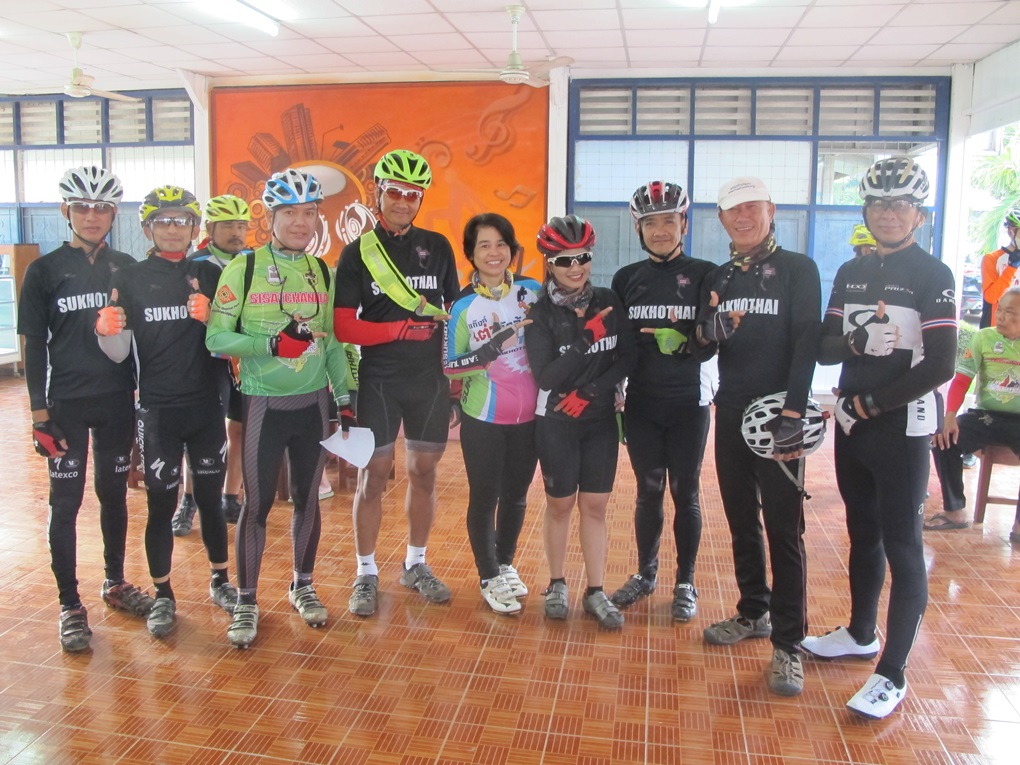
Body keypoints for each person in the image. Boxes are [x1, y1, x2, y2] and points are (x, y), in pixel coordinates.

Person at [805, 157, 957, 719]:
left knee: (903, 544)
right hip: (854, 422)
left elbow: (941, 363)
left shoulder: (933, 274)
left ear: (919, 215)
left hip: (902, 425)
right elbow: (825, 347)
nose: (889, 214)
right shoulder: (852, 271)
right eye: (878, 204)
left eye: (900, 205)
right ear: (866, 210)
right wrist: (855, 343)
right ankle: (860, 633)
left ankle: (892, 673)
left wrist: (872, 403)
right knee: (861, 531)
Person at [206, 168, 357, 648]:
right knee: (257, 506)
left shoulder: (322, 271)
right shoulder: (243, 267)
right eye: (289, 212)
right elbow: (215, 339)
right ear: (270, 217)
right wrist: (270, 344)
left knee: (308, 500)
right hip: (262, 406)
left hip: (312, 404)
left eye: (309, 212)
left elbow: (332, 343)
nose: (300, 222)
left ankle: (302, 585)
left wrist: (345, 398)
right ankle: (247, 600)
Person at [18, 166, 153, 652]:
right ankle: (70, 605)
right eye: (82, 207)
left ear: (114, 214)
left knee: (114, 495)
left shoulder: (126, 266)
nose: (92, 216)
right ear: (66, 211)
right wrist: (39, 415)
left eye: (101, 208)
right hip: (66, 405)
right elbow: (33, 345)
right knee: (66, 504)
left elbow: (140, 337)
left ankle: (115, 582)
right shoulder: (44, 271)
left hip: (117, 401)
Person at [698, 177, 821, 698]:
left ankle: (789, 644)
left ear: (771, 210)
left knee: (784, 531)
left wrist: (793, 411)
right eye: (733, 210)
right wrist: (708, 331)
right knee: (740, 519)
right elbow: (704, 347)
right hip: (730, 412)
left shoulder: (798, 269)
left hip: (779, 417)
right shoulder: (721, 276)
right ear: (721, 219)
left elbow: (807, 341)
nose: (743, 217)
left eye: (752, 207)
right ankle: (753, 611)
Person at [95, 185, 236, 638]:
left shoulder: (210, 274)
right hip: (157, 411)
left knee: (211, 500)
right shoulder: (131, 278)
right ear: (147, 229)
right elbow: (119, 354)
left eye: (181, 221)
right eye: (163, 221)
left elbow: (231, 340)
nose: (173, 229)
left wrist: (215, 318)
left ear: (195, 228)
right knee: (160, 506)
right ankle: (163, 595)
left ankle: (221, 580)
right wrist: (106, 331)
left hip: (207, 407)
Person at [333, 149, 460, 617]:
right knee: (374, 474)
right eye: (395, 192)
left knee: (424, 472)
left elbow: (455, 316)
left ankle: (415, 563)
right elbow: (344, 327)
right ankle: (365, 571)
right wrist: (398, 330)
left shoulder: (438, 246)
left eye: (412, 194)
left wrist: (456, 380)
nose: (403, 201)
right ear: (378, 192)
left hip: (428, 381)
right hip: (380, 380)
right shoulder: (357, 253)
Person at [608, 181, 716, 622]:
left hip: (690, 402)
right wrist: (615, 389)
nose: (660, 231)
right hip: (642, 403)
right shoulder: (626, 279)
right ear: (638, 228)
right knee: (648, 491)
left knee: (685, 492)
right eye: (650, 223)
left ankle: (685, 581)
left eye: (669, 221)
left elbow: (714, 340)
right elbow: (618, 344)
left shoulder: (706, 274)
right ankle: (645, 574)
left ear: (684, 224)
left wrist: (688, 342)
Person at [524, 215, 636, 628]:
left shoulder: (608, 299)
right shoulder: (540, 314)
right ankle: (556, 583)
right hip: (557, 422)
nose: (576, 267)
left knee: (595, 506)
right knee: (560, 505)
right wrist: (587, 338)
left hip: (599, 418)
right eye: (564, 260)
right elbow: (546, 377)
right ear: (549, 263)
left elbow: (628, 357)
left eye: (583, 257)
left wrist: (591, 390)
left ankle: (596, 590)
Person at [444, 213, 540, 614]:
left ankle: (504, 564)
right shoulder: (462, 307)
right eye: (484, 245)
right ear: (471, 254)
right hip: (483, 418)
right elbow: (449, 366)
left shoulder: (532, 292)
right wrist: (487, 351)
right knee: (485, 498)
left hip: (530, 418)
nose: (494, 252)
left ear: (512, 250)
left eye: (501, 244)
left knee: (516, 496)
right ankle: (488, 575)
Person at [175, 194, 254, 531]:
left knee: (240, 428)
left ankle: (231, 497)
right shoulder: (194, 264)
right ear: (210, 227)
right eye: (227, 226)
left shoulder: (254, 261)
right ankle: (189, 500)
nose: (236, 232)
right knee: (202, 431)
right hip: (204, 360)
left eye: (241, 226)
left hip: (245, 358)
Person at [925, 287, 1020, 537]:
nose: (1001, 316)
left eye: (1010, 312)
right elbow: (962, 379)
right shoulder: (984, 338)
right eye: (1000, 310)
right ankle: (955, 510)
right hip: (987, 417)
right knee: (943, 439)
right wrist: (949, 416)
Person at [979, 209, 1020, 329]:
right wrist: (1011, 268)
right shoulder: (992, 259)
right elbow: (991, 297)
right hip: (997, 330)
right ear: (1011, 231)